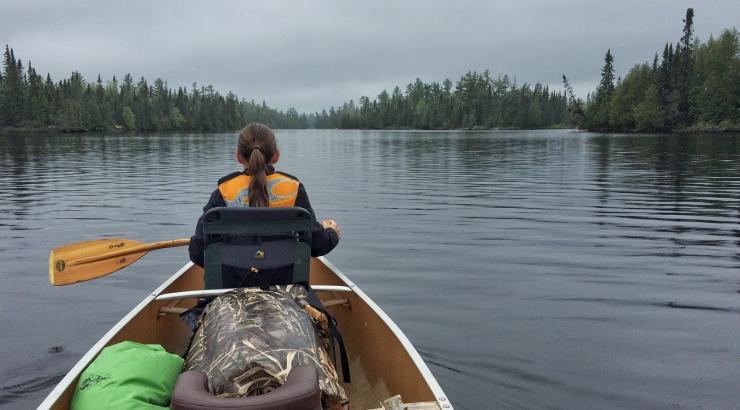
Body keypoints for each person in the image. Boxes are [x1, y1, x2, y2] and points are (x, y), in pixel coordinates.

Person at [188, 123, 341, 270]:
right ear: (276, 155)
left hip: (232, 290)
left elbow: (198, 253)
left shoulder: (223, 193)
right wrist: (331, 233)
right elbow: (316, 245)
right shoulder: (294, 190)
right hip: (286, 293)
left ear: (239, 156)